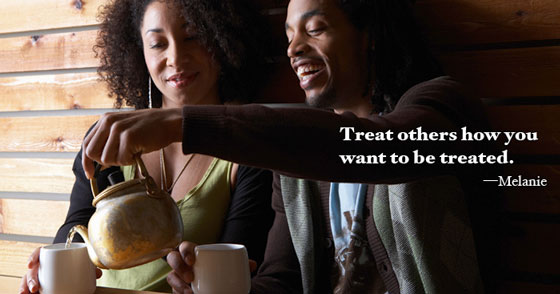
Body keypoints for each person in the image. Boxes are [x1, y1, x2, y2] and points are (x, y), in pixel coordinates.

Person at [80, 0, 500, 293]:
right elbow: (280, 282)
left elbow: (371, 148)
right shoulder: (295, 162)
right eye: (289, 34)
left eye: (314, 29)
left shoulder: (443, 104)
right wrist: (211, 285)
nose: (294, 49)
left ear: (369, 35)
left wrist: (181, 122)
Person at [19, 0, 274, 293]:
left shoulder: (248, 150)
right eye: (157, 44)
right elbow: (77, 224)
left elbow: (240, 263)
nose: (176, 58)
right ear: (138, 52)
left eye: (192, 37)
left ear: (221, 38)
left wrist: (195, 275)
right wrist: (53, 262)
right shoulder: (113, 137)